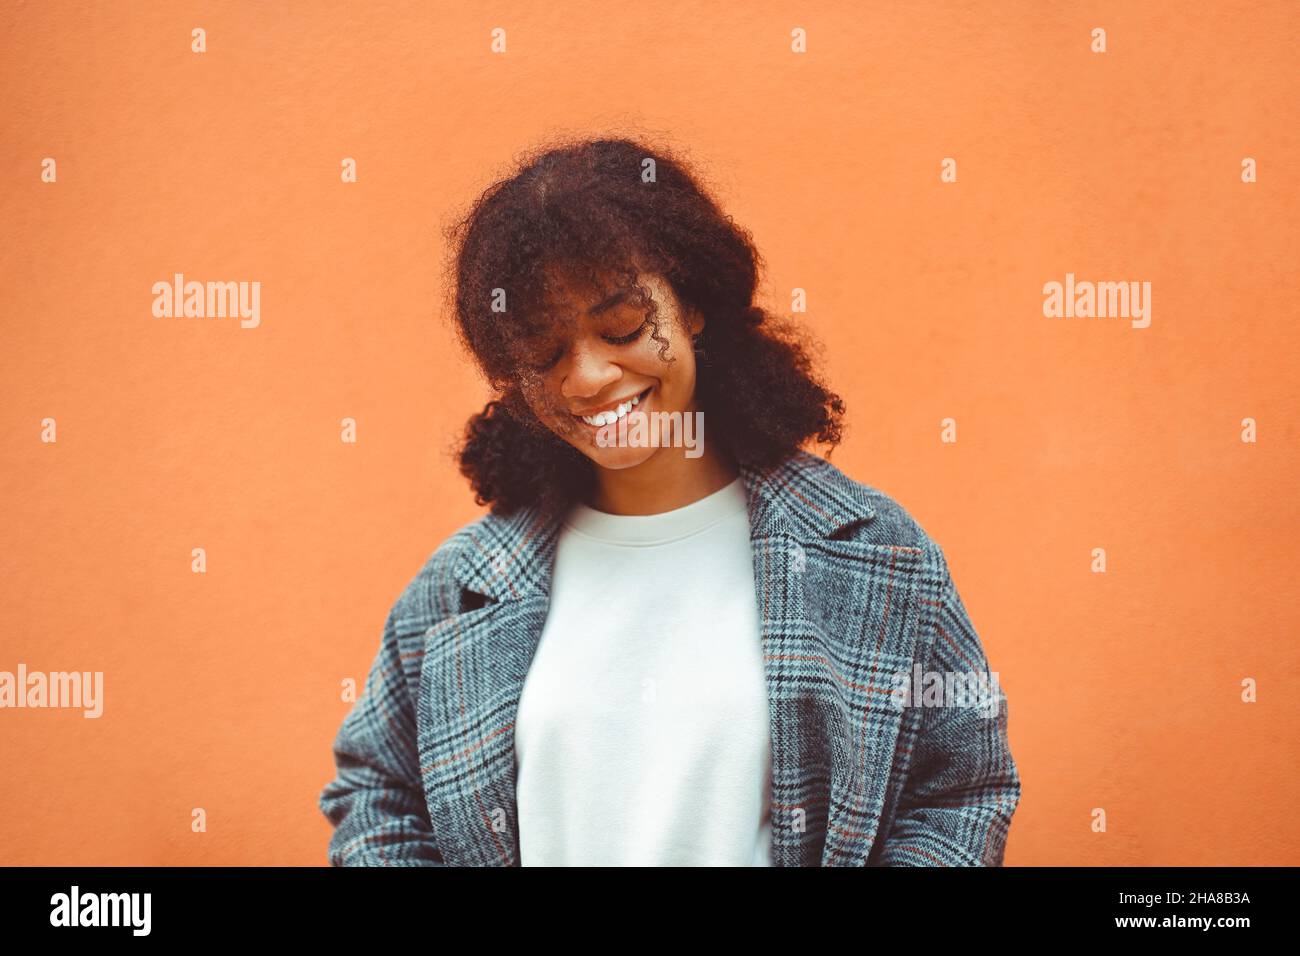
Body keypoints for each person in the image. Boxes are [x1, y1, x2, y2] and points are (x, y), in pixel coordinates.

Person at [318, 136, 1021, 866]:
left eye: (620, 326)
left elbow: (961, 791)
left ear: (689, 305)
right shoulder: (463, 588)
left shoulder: (872, 553)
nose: (587, 376)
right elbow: (380, 795)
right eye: (545, 352)